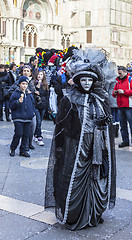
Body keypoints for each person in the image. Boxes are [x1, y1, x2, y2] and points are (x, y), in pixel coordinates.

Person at [45, 49, 116, 230]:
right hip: (76, 147)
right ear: (77, 81)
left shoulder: (100, 99)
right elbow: (62, 126)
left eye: (89, 80)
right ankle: (76, 214)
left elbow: (106, 121)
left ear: (94, 81)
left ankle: (92, 212)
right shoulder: (69, 99)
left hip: (97, 146)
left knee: (95, 178)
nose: (86, 83)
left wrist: (102, 124)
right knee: (75, 177)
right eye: (83, 80)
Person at [9, 76, 35, 157]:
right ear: (19, 84)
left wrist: (32, 113)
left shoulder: (29, 94)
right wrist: (18, 102)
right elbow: (11, 105)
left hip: (27, 118)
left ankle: (23, 150)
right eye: (23, 84)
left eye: (26, 84)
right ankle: (13, 148)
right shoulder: (15, 94)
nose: (24, 86)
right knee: (18, 134)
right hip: (18, 117)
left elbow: (32, 104)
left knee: (26, 135)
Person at [112, 66, 132, 147]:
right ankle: (125, 141)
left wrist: (123, 92)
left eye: (120, 73)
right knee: (122, 125)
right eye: (118, 73)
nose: (119, 74)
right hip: (120, 106)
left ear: (125, 71)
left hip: (129, 106)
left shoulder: (130, 80)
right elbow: (113, 94)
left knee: (131, 125)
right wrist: (115, 92)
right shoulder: (117, 81)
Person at [34, 70, 49, 146]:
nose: (40, 76)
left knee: (39, 122)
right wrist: (38, 84)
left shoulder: (46, 85)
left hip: (43, 106)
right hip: (36, 106)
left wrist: (48, 108)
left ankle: (35, 134)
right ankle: (39, 137)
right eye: (38, 74)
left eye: (41, 74)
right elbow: (35, 93)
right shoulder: (34, 84)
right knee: (38, 121)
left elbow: (47, 96)